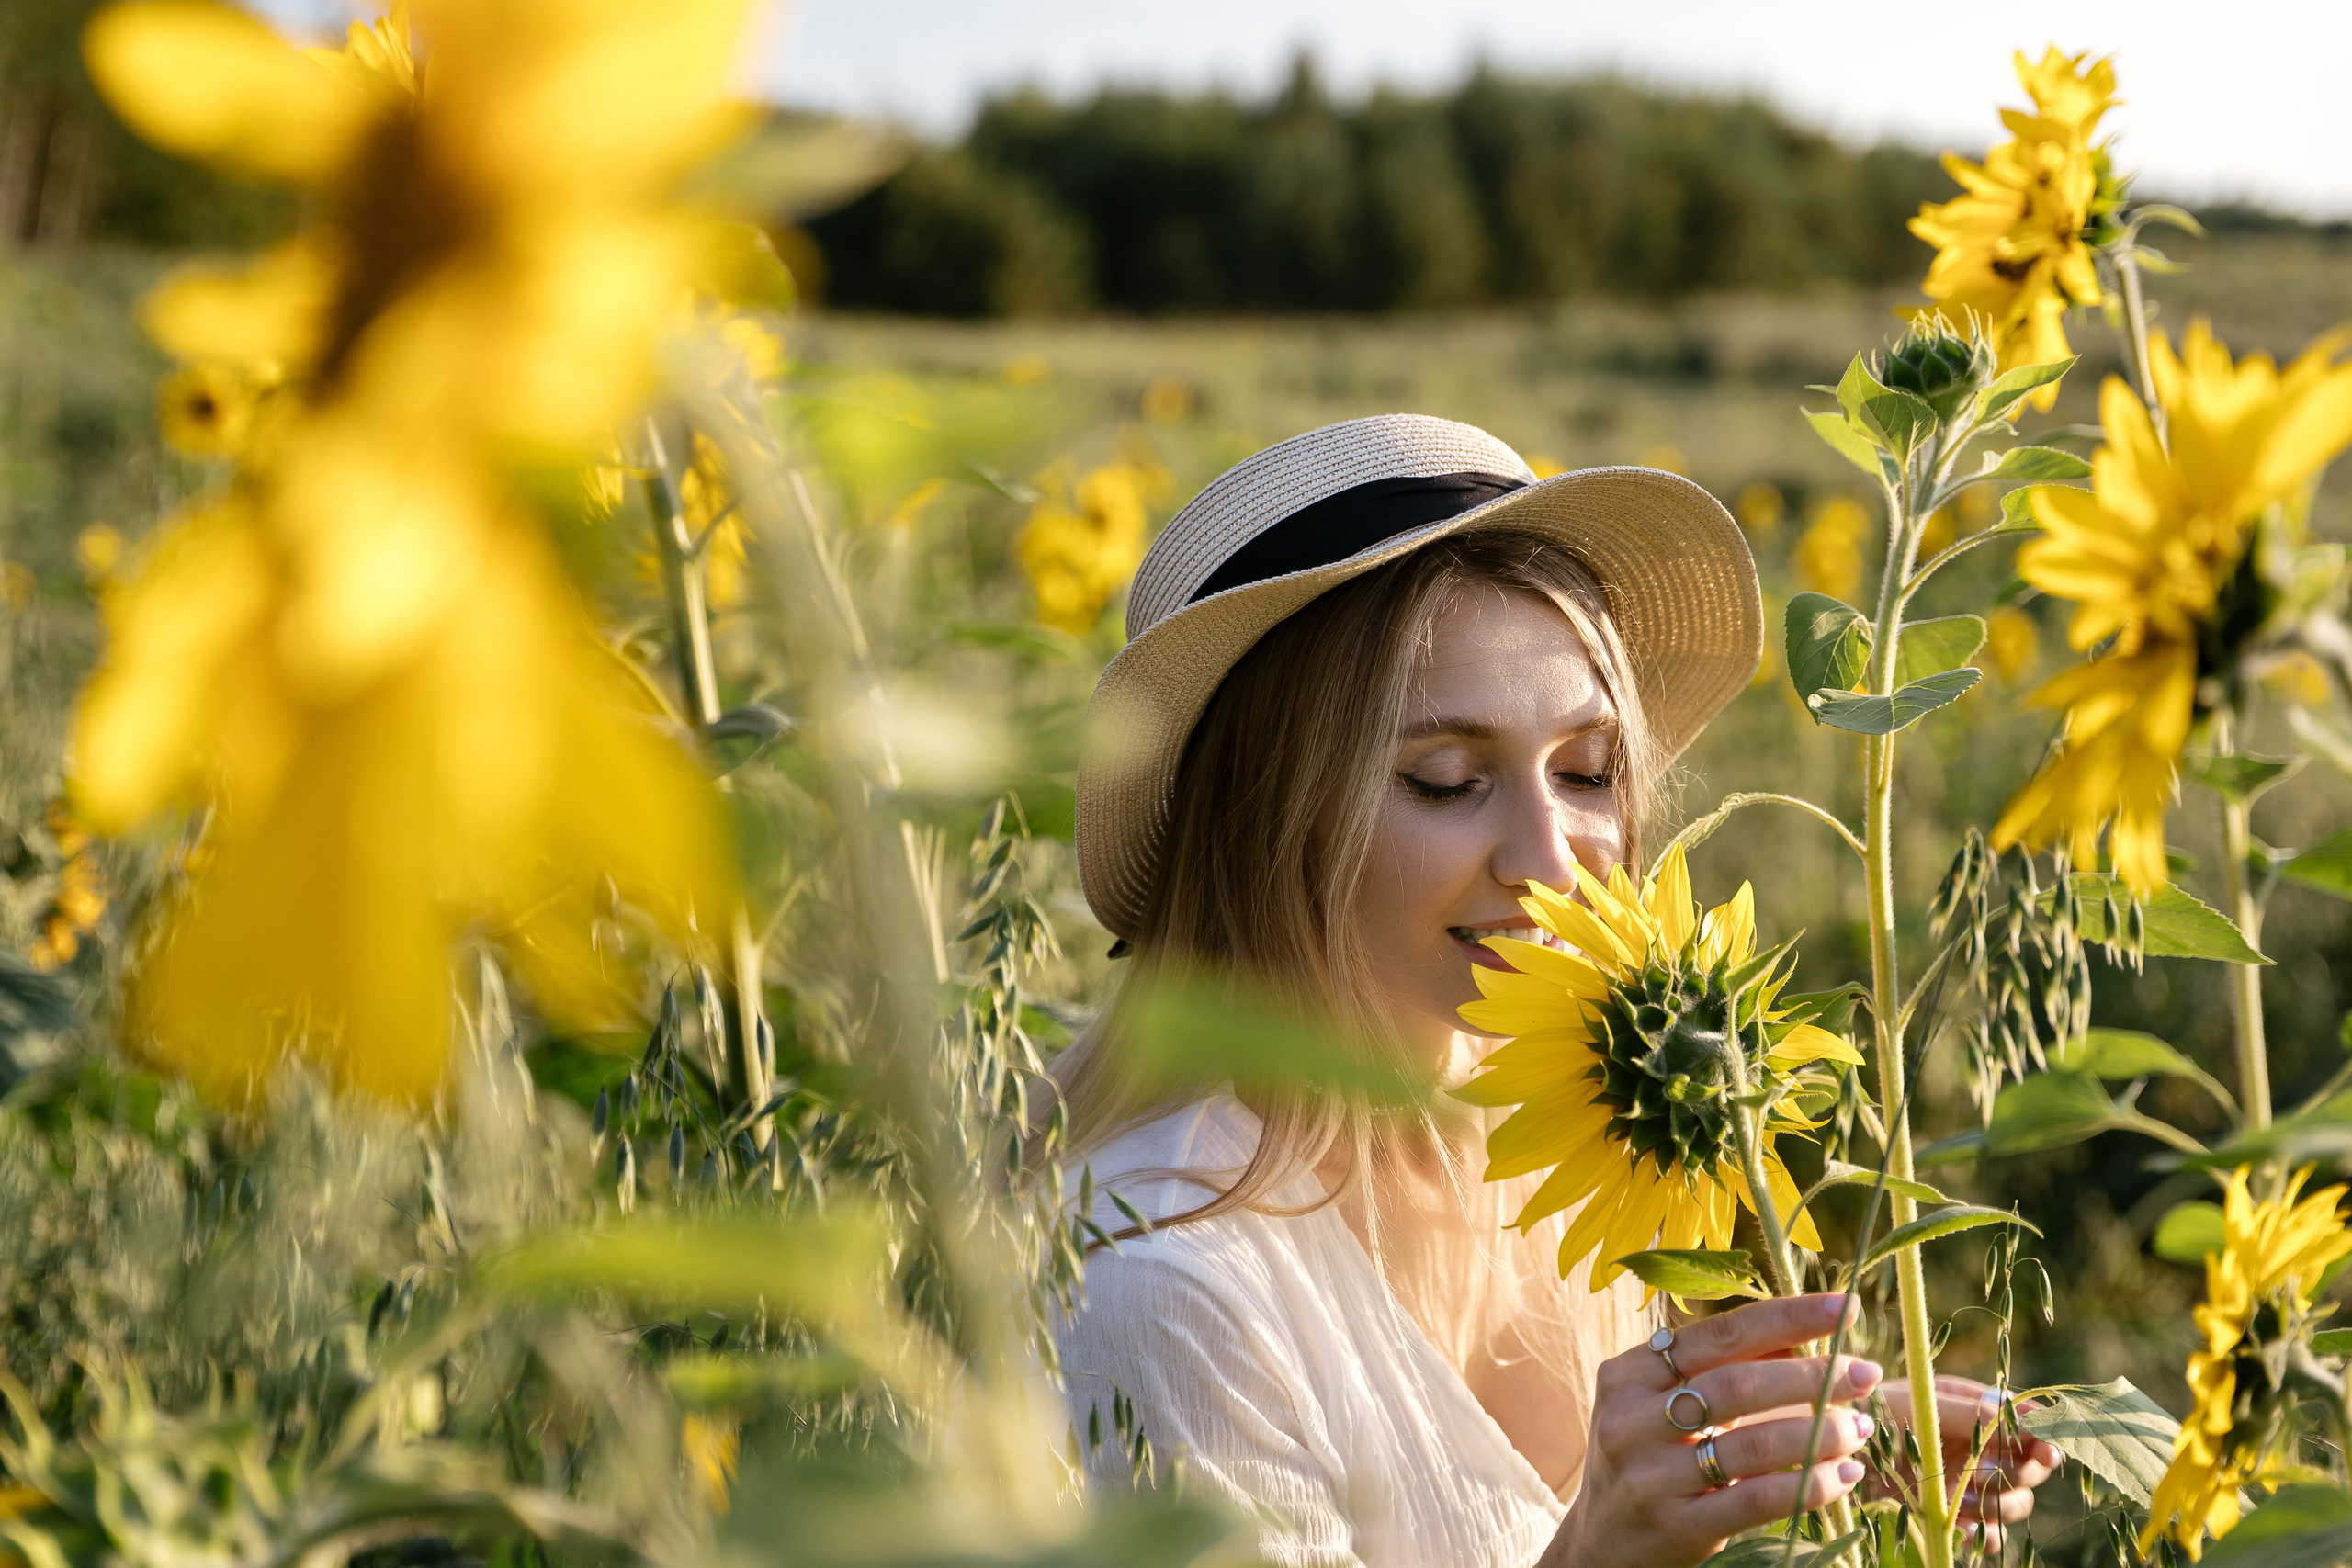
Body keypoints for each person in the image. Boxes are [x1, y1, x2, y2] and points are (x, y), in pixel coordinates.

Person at [1048, 415, 2057, 1567]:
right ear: (1264, 820)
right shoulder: (1158, 1283)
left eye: (1587, 771)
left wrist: (1818, 1459)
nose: (1553, 856)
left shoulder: (1558, 1111)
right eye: (1447, 780)